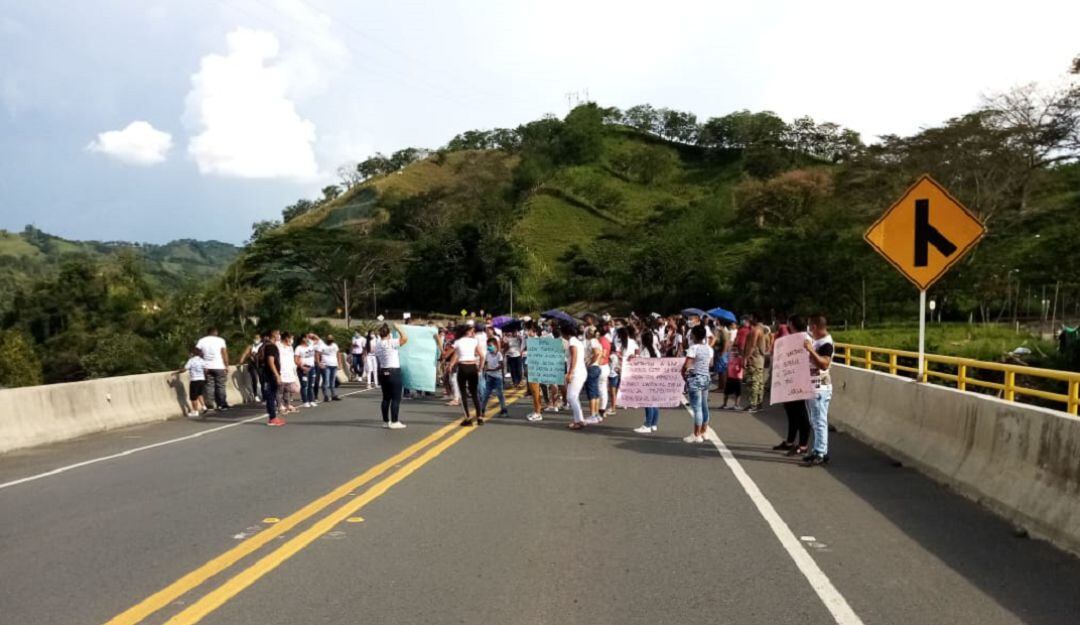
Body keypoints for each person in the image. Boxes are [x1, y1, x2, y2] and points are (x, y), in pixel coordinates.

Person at [772, 316, 812, 456]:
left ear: (792, 324)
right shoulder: (792, 339)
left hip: (800, 382)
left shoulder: (804, 339)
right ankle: (790, 442)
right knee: (791, 412)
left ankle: (803, 445)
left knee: (801, 414)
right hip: (790, 380)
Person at [804, 314, 835, 466]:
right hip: (814, 386)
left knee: (820, 420)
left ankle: (821, 453)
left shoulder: (826, 344)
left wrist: (811, 350)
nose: (809, 329)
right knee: (815, 420)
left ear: (815, 327)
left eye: (810, 326)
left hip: (820, 387)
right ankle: (817, 449)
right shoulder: (818, 341)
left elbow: (824, 364)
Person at [447, 324, 484, 426]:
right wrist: (480, 367)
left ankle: (467, 418)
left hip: (463, 367)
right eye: (472, 331)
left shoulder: (458, 342)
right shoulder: (474, 341)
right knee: (474, 393)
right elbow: (482, 356)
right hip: (473, 366)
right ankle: (479, 417)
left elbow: (450, 353)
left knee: (463, 393)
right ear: (467, 332)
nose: (473, 333)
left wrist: (446, 358)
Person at [373, 323, 408, 429]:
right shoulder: (391, 342)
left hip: (383, 372)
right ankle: (394, 421)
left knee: (386, 398)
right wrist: (399, 328)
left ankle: (385, 421)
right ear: (388, 334)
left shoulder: (378, 344)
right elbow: (405, 339)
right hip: (394, 371)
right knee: (396, 398)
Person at [683, 325, 712, 443]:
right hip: (706, 377)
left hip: (695, 378)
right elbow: (710, 364)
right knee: (704, 406)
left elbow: (687, 365)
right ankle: (704, 431)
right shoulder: (708, 348)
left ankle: (696, 434)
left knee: (697, 408)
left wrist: (685, 372)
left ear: (694, 335)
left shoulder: (693, 348)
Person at [633, 329, 661, 434]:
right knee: (655, 402)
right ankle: (654, 424)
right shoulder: (656, 351)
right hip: (656, 379)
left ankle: (647, 425)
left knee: (647, 401)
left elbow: (641, 364)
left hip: (647, 379)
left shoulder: (645, 351)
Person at [196, 328, 230, 411]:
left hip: (207, 367)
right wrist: (226, 365)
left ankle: (210, 405)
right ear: (216, 332)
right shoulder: (221, 340)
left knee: (209, 386)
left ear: (208, 333)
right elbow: (224, 353)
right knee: (220, 386)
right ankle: (221, 404)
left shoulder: (202, 340)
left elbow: (197, 353)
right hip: (219, 366)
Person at [563, 322, 588, 430]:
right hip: (580, 371)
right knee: (573, 397)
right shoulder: (577, 341)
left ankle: (579, 421)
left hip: (576, 372)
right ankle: (578, 419)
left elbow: (574, 357)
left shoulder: (572, 341)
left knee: (571, 397)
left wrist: (570, 373)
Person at [258, 331, 285, 426]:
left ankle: (273, 417)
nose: (279, 335)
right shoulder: (271, 347)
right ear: (273, 335)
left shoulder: (266, 345)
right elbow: (271, 361)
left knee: (271, 395)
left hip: (267, 374)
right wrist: (277, 375)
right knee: (271, 396)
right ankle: (272, 418)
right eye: (278, 333)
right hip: (271, 375)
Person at [480, 337, 509, 417]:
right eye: (488, 346)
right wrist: (484, 368)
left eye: (490, 345)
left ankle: (504, 410)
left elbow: (501, 365)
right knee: (486, 394)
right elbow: (485, 364)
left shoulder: (499, 354)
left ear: (495, 345)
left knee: (500, 394)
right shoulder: (487, 354)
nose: (489, 347)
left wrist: (491, 369)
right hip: (489, 377)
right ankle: (482, 410)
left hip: (497, 378)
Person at [179, 346, 207, 418]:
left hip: (195, 380)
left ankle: (195, 411)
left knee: (193, 397)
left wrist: (177, 372)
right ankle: (204, 407)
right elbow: (206, 370)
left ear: (192, 354)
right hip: (202, 379)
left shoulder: (191, 360)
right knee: (199, 394)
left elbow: (185, 369)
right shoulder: (202, 360)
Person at [583, 327, 604, 424]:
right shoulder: (597, 341)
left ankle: (593, 415)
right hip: (596, 367)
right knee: (595, 392)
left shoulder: (592, 341)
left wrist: (590, 363)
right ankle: (596, 414)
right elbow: (601, 354)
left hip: (592, 368)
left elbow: (597, 353)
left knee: (591, 392)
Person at [278, 332, 300, 415]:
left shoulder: (290, 347)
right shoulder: (278, 346)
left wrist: (294, 370)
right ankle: (280, 406)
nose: (292, 340)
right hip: (281, 372)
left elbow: (291, 359)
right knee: (280, 391)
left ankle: (287, 405)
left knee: (288, 390)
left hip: (290, 372)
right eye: (291, 338)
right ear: (286, 338)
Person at [237, 333, 263, 402]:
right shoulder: (251, 346)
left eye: (257, 338)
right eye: (255, 338)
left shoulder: (262, 346)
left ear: (260, 339)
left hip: (260, 365)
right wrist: (240, 362)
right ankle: (255, 395)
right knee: (254, 378)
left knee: (262, 379)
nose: (256, 340)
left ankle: (264, 394)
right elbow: (244, 354)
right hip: (252, 365)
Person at [296, 334, 318, 408]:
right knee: (304, 386)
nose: (308, 339)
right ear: (302, 339)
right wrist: (301, 367)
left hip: (312, 368)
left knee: (311, 385)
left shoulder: (311, 345)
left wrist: (312, 335)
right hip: (304, 368)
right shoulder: (299, 348)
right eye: (306, 338)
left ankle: (311, 400)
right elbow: (296, 359)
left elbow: (318, 340)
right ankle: (305, 401)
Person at [320, 335, 342, 402]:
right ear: (326, 339)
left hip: (334, 365)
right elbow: (317, 354)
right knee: (326, 381)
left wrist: (340, 363)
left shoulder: (335, 345)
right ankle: (326, 396)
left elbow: (338, 354)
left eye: (331, 339)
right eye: (329, 339)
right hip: (326, 365)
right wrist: (319, 363)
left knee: (332, 381)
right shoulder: (322, 345)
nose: (330, 340)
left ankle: (333, 395)